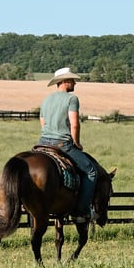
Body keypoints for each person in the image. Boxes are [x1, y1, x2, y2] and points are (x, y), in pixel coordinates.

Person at [38, 67, 97, 223]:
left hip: (43, 143)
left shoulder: (46, 100)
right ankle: (81, 211)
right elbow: (75, 124)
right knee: (90, 171)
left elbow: (42, 123)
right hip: (62, 144)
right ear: (64, 81)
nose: (75, 84)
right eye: (72, 80)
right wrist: (76, 143)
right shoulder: (72, 99)